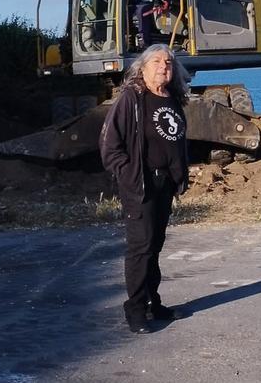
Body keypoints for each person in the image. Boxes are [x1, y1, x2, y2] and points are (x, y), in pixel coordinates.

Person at [100, 44, 191, 333]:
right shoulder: (132, 98)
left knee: (155, 246)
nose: (164, 66)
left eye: (168, 62)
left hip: (164, 184)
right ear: (142, 67)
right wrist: (127, 174)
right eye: (156, 61)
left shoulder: (172, 98)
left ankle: (154, 303)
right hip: (140, 183)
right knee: (140, 248)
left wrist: (179, 174)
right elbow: (109, 144)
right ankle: (135, 311)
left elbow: (176, 140)